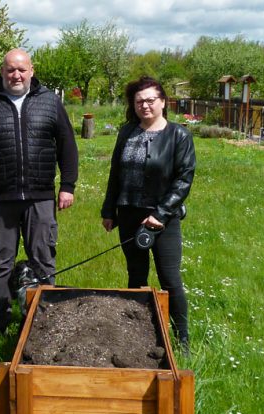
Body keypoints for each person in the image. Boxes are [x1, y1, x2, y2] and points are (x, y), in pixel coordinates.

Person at [0, 48, 79, 338]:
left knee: (43, 259)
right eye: (10, 69)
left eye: (21, 70)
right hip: (1, 198)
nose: (16, 75)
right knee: (0, 262)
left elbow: (67, 145)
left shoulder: (49, 102)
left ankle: (43, 321)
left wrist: (68, 186)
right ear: (2, 72)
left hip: (41, 197)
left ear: (31, 71)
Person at [100, 76, 195, 352]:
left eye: (151, 100)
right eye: (139, 101)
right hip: (129, 214)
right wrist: (110, 210)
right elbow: (115, 174)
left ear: (163, 102)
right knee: (136, 275)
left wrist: (162, 213)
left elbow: (183, 179)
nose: (145, 106)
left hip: (162, 219)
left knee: (169, 277)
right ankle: (136, 333)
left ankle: (182, 338)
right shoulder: (127, 132)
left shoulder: (179, 135)